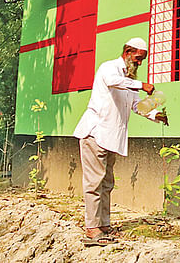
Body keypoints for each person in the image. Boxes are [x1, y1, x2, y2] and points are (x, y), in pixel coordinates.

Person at [73, 38, 168, 246]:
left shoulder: (130, 79)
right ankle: (91, 229)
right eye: (137, 58)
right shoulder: (109, 68)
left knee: (106, 183)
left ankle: (103, 225)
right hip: (95, 134)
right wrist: (142, 85)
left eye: (142, 60)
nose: (139, 63)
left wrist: (155, 115)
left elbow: (136, 106)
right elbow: (112, 81)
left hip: (111, 138)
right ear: (127, 51)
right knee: (94, 183)